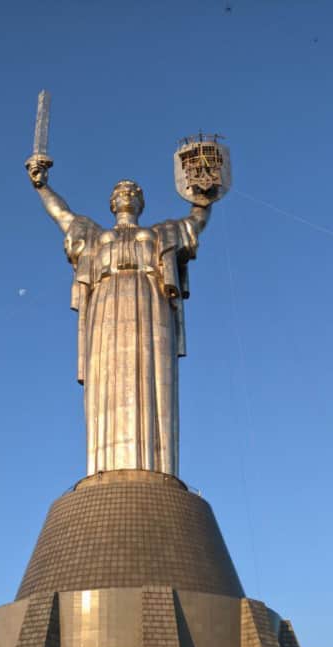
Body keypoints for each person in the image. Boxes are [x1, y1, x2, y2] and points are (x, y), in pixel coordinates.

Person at [26, 160, 212, 477]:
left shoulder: (160, 233)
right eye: (120, 191)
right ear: (112, 203)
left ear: (141, 203)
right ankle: (104, 468)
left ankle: (155, 468)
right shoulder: (94, 235)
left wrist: (203, 199)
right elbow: (62, 215)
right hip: (105, 303)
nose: (126, 193)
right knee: (105, 378)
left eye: (133, 191)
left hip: (150, 300)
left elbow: (194, 223)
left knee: (153, 374)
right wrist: (42, 186)